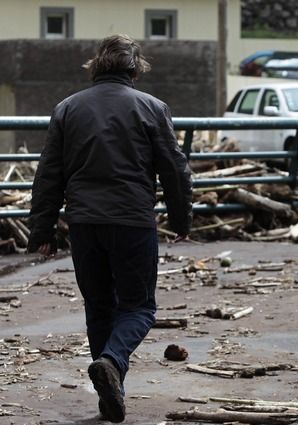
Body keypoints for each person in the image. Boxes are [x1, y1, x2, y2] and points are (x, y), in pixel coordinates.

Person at [28, 34, 192, 422]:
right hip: (132, 221)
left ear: (97, 67)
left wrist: (43, 232)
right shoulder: (152, 108)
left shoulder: (67, 108)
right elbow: (174, 169)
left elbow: (48, 174)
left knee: (99, 307)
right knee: (138, 307)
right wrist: (181, 218)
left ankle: (110, 394)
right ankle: (113, 362)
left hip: (84, 223)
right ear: (135, 69)